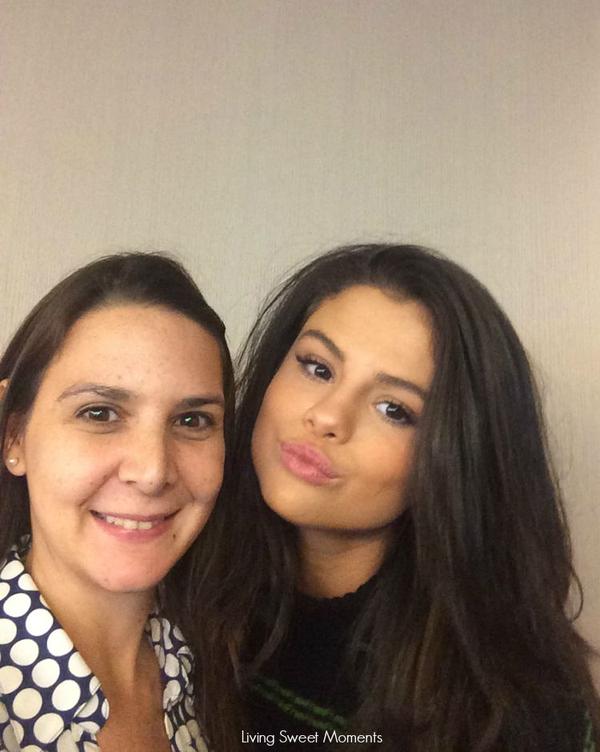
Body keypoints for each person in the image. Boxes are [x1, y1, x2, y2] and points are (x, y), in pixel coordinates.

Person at [194, 244, 599, 751]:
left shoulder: (513, 713)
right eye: (317, 368)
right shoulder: (179, 589)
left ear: (458, 459)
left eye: (394, 409)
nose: (328, 416)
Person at [0, 253, 233, 752]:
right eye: (100, 413)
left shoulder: (219, 667)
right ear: (13, 437)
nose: (152, 472)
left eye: (192, 420)